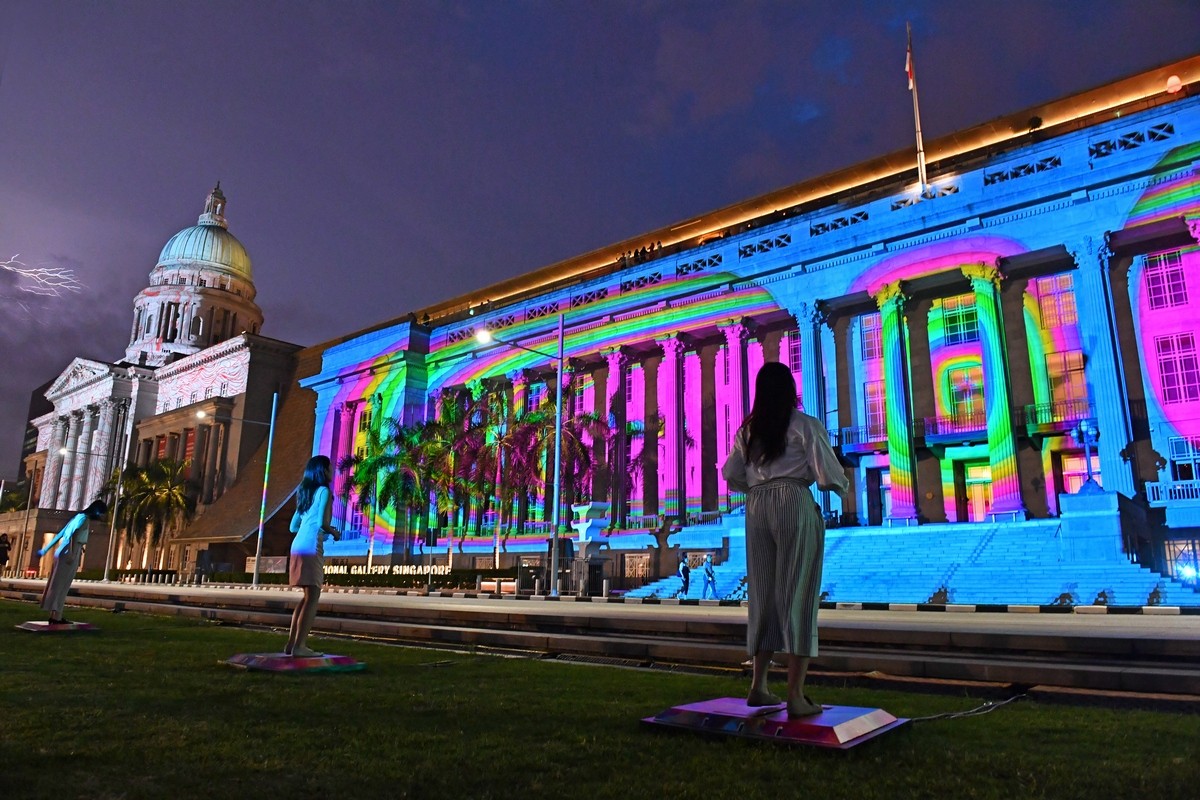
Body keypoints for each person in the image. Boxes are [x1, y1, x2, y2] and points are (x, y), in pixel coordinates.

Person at [722, 362, 848, 718]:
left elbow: (731, 473)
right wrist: (841, 486)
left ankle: (759, 686)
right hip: (792, 500)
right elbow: (828, 475)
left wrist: (758, 487)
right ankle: (795, 694)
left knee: (762, 594)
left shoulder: (749, 431)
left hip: (757, 506)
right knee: (799, 593)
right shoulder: (804, 425)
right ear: (791, 390)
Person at [285, 455, 340, 657]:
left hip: (297, 544)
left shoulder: (306, 493)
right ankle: (300, 646)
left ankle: (292, 644)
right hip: (310, 547)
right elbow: (322, 523)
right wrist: (333, 532)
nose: (332, 471)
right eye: (330, 468)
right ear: (323, 471)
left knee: (307, 597)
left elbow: (293, 527)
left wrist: (320, 531)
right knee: (313, 596)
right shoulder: (324, 491)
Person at [37, 500, 107, 625]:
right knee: (63, 585)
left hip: (62, 550)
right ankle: (56, 617)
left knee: (57, 584)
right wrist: (72, 553)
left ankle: (55, 615)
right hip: (70, 551)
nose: (103, 517)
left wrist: (45, 549)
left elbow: (61, 534)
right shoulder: (84, 519)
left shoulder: (77, 517)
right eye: (102, 514)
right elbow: (74, 535)